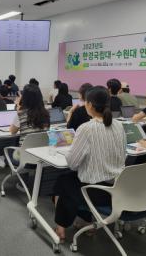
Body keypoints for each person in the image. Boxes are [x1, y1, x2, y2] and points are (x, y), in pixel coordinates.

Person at [54, 86, 126, 241]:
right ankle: (85, 220)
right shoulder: (119, 125)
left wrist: (68, 152)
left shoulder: (86, 129)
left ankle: (61, 226)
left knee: (64, 181)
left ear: (90, 105)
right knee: (69, 180)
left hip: (96, 190)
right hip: (117, 187)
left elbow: (73, 164)